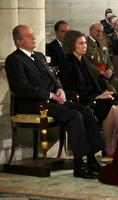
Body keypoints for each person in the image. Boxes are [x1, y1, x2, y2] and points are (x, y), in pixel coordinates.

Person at [5, 25, 103, 179]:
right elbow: (22, 88)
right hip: (33, 104)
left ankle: (91, 159)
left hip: (52, 100)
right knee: (74, 116)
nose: (33, 37)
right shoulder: (14, 59)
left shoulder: (39, 56)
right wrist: (49, 95)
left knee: (86, 112)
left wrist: (60, 89)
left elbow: (54, 78)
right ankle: (79, 165)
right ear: (19, 42)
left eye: (33, 34)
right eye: (29, 36)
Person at [60, 30, 118, 158]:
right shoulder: (67, 62)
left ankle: (112, 144)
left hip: (94, 95)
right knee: (109, 107)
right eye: (81, 43)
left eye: (85, 43)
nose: (85, 46)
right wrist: (97, 96)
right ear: (72, 45)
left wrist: (103, 92)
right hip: (81, 100)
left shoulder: (83, 60)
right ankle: (107, 146)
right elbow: (71, 89)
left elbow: (95, 81)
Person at [85, 22, 118, 108]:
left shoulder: (103, 43)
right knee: (112, 90)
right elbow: (86, 62)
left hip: (107, 75)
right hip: (96, 77)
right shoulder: (85, 43)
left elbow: (108, 60)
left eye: (101, 31)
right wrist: (100, 72)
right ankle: (113, 115)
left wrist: (110, 69)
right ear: (91, 30)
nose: (100, 33)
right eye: (98, 31)